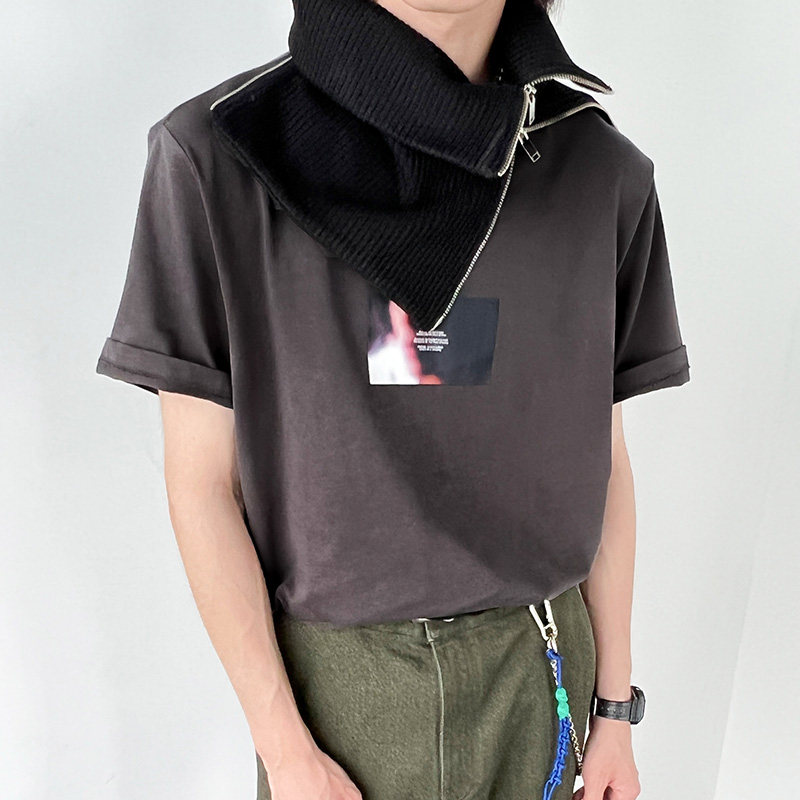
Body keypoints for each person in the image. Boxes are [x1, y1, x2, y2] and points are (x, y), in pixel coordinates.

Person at [96, 0, 690, 797]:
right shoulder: (218, 157)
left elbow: (602, 455)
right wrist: (286, 750)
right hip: (342, 703)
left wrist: (614, 710)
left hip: (543, 671)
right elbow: (203, 483)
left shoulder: (598, 172)